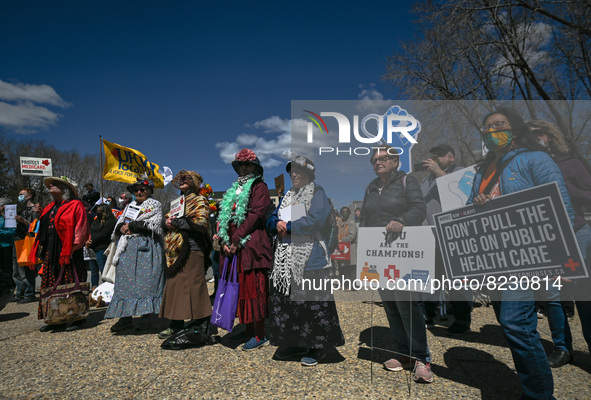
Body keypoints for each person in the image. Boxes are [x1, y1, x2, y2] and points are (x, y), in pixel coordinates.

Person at [467, 108, 575, 400]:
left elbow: (561, 205)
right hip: (496, 258)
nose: (491, 131)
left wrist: (563, 260)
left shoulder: (536, 159)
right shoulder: (482, 171)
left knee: (515, 322)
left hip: (529, 255)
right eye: (486, 128)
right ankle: (534, 386)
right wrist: (477, 202)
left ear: (514, 128)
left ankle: (540, 394)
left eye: (498, 125)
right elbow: (468, 212)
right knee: (514, 325)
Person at [359, 145, 433, 383]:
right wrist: (363, 250)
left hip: (403, 251)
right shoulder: (371, 187)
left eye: (383, 158)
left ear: (395, 162)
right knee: (390, 304)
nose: (377, 161)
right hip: (378, 255)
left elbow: (419, 208)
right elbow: (366, 218)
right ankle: (403, 354)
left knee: (407, 305)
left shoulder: (407, 181)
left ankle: (422, 358)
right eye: (374, 159)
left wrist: (402, 221)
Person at [267, 154, 345, 366]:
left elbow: (315, 220)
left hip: (311, 259)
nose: (294, 174)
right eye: (292, 171)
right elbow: (273, 216)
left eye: (299, 171)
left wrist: (288, 227)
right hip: (287, 259)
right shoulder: (287, 196)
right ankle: (296, 342)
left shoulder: (317, 193)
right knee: (293, 306)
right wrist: (276, 224)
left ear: (309, 174)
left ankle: (317, 346)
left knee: (314, 304)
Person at [528, 119, 591, 364]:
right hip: (546, 239)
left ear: (550, 135)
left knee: (583, 294)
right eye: (529, 134)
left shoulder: (571, 162)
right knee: (551, 294)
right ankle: (563, 347)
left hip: (577, 234)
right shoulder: (526, 164)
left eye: (539, 133)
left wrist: (563, 188)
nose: (535, 137)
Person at [217, 148, 272, 351]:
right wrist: (223, 236)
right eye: (240, 165)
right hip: (234, 247)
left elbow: (256, 214)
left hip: (251, 245)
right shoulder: (233, 190)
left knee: (254, 289)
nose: (243, 168)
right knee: (238, 287)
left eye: (247, 164)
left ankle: (260, 333)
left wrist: (237, 237)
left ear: (255, 167)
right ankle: (247, 327)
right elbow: (225, 216)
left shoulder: (260, 187)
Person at [420, 144, 472, 335]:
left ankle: (462, 319)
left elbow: (464, 193)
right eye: (433, 155)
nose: (434, 157)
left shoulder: (460, 172)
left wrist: (439, 173)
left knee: (458, 279)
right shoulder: (426, 180)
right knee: (431, 278)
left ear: (451, 157)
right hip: (431, 234)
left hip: (455, 233)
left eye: (440, 155)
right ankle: (429, 315)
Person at [159, 170, 213, 345]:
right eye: (180, 179)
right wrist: (166, 222)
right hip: (174, 250)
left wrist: (176, 222)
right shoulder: (177, 202)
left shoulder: (200, 200)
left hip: (193, 248)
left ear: (194, 182)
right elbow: (168, 219)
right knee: (174, 286)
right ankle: (175, 324)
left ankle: (201, 325)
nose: (182, 181)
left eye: (186, 178)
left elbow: (201, 223)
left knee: (195, 286)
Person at [105, 175, 165, 332]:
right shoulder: (129, 207)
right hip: (127, 250)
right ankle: (125, 318)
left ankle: (147, 317)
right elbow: (118, 225)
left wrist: (134, 225)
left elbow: (156, 224)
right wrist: (122, 228)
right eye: (136, 190)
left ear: (149, 190)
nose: (139, 192)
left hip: (146, 247)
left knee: (147, 283)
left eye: (142, 189)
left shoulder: (155, 205)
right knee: (125, 283)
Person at [31, 177, 90, 332]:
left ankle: (77, 317)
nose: (51, 185)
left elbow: (81, 228)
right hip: (52, 250)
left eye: (55, 184)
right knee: (51, 284)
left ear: (66, 189)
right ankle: (56, 318)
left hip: (69, 251)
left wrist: (72, 248)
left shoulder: (75, 205)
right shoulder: (49, 207)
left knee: (70, 283)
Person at [12, 188, 39, 303]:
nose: (20, 197)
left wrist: (22, 220)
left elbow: (35, 226)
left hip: (27, 241)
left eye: (22, 195)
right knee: (17, 269)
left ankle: (29, 293)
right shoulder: (21, 210)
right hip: (18, 240)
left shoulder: (35, 209)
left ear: (29, 196)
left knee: (27, 269)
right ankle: (20, 292)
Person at [86, 204, 117, 288]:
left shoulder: (111, 221)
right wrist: (87, 242)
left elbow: (104, 234)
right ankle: (94, 288)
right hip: (92, 249)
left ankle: (105, 289)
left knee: (104, 271)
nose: (97, 212)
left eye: (100, 211)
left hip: (102, 249)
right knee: (94, 271)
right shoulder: (96, 221)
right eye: (97, 211)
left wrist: (92, 241)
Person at [0, 198, 16, 310]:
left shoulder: (9, 216)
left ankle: (9, 290)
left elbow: (12, 232)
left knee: (7, 269)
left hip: (6, 246)